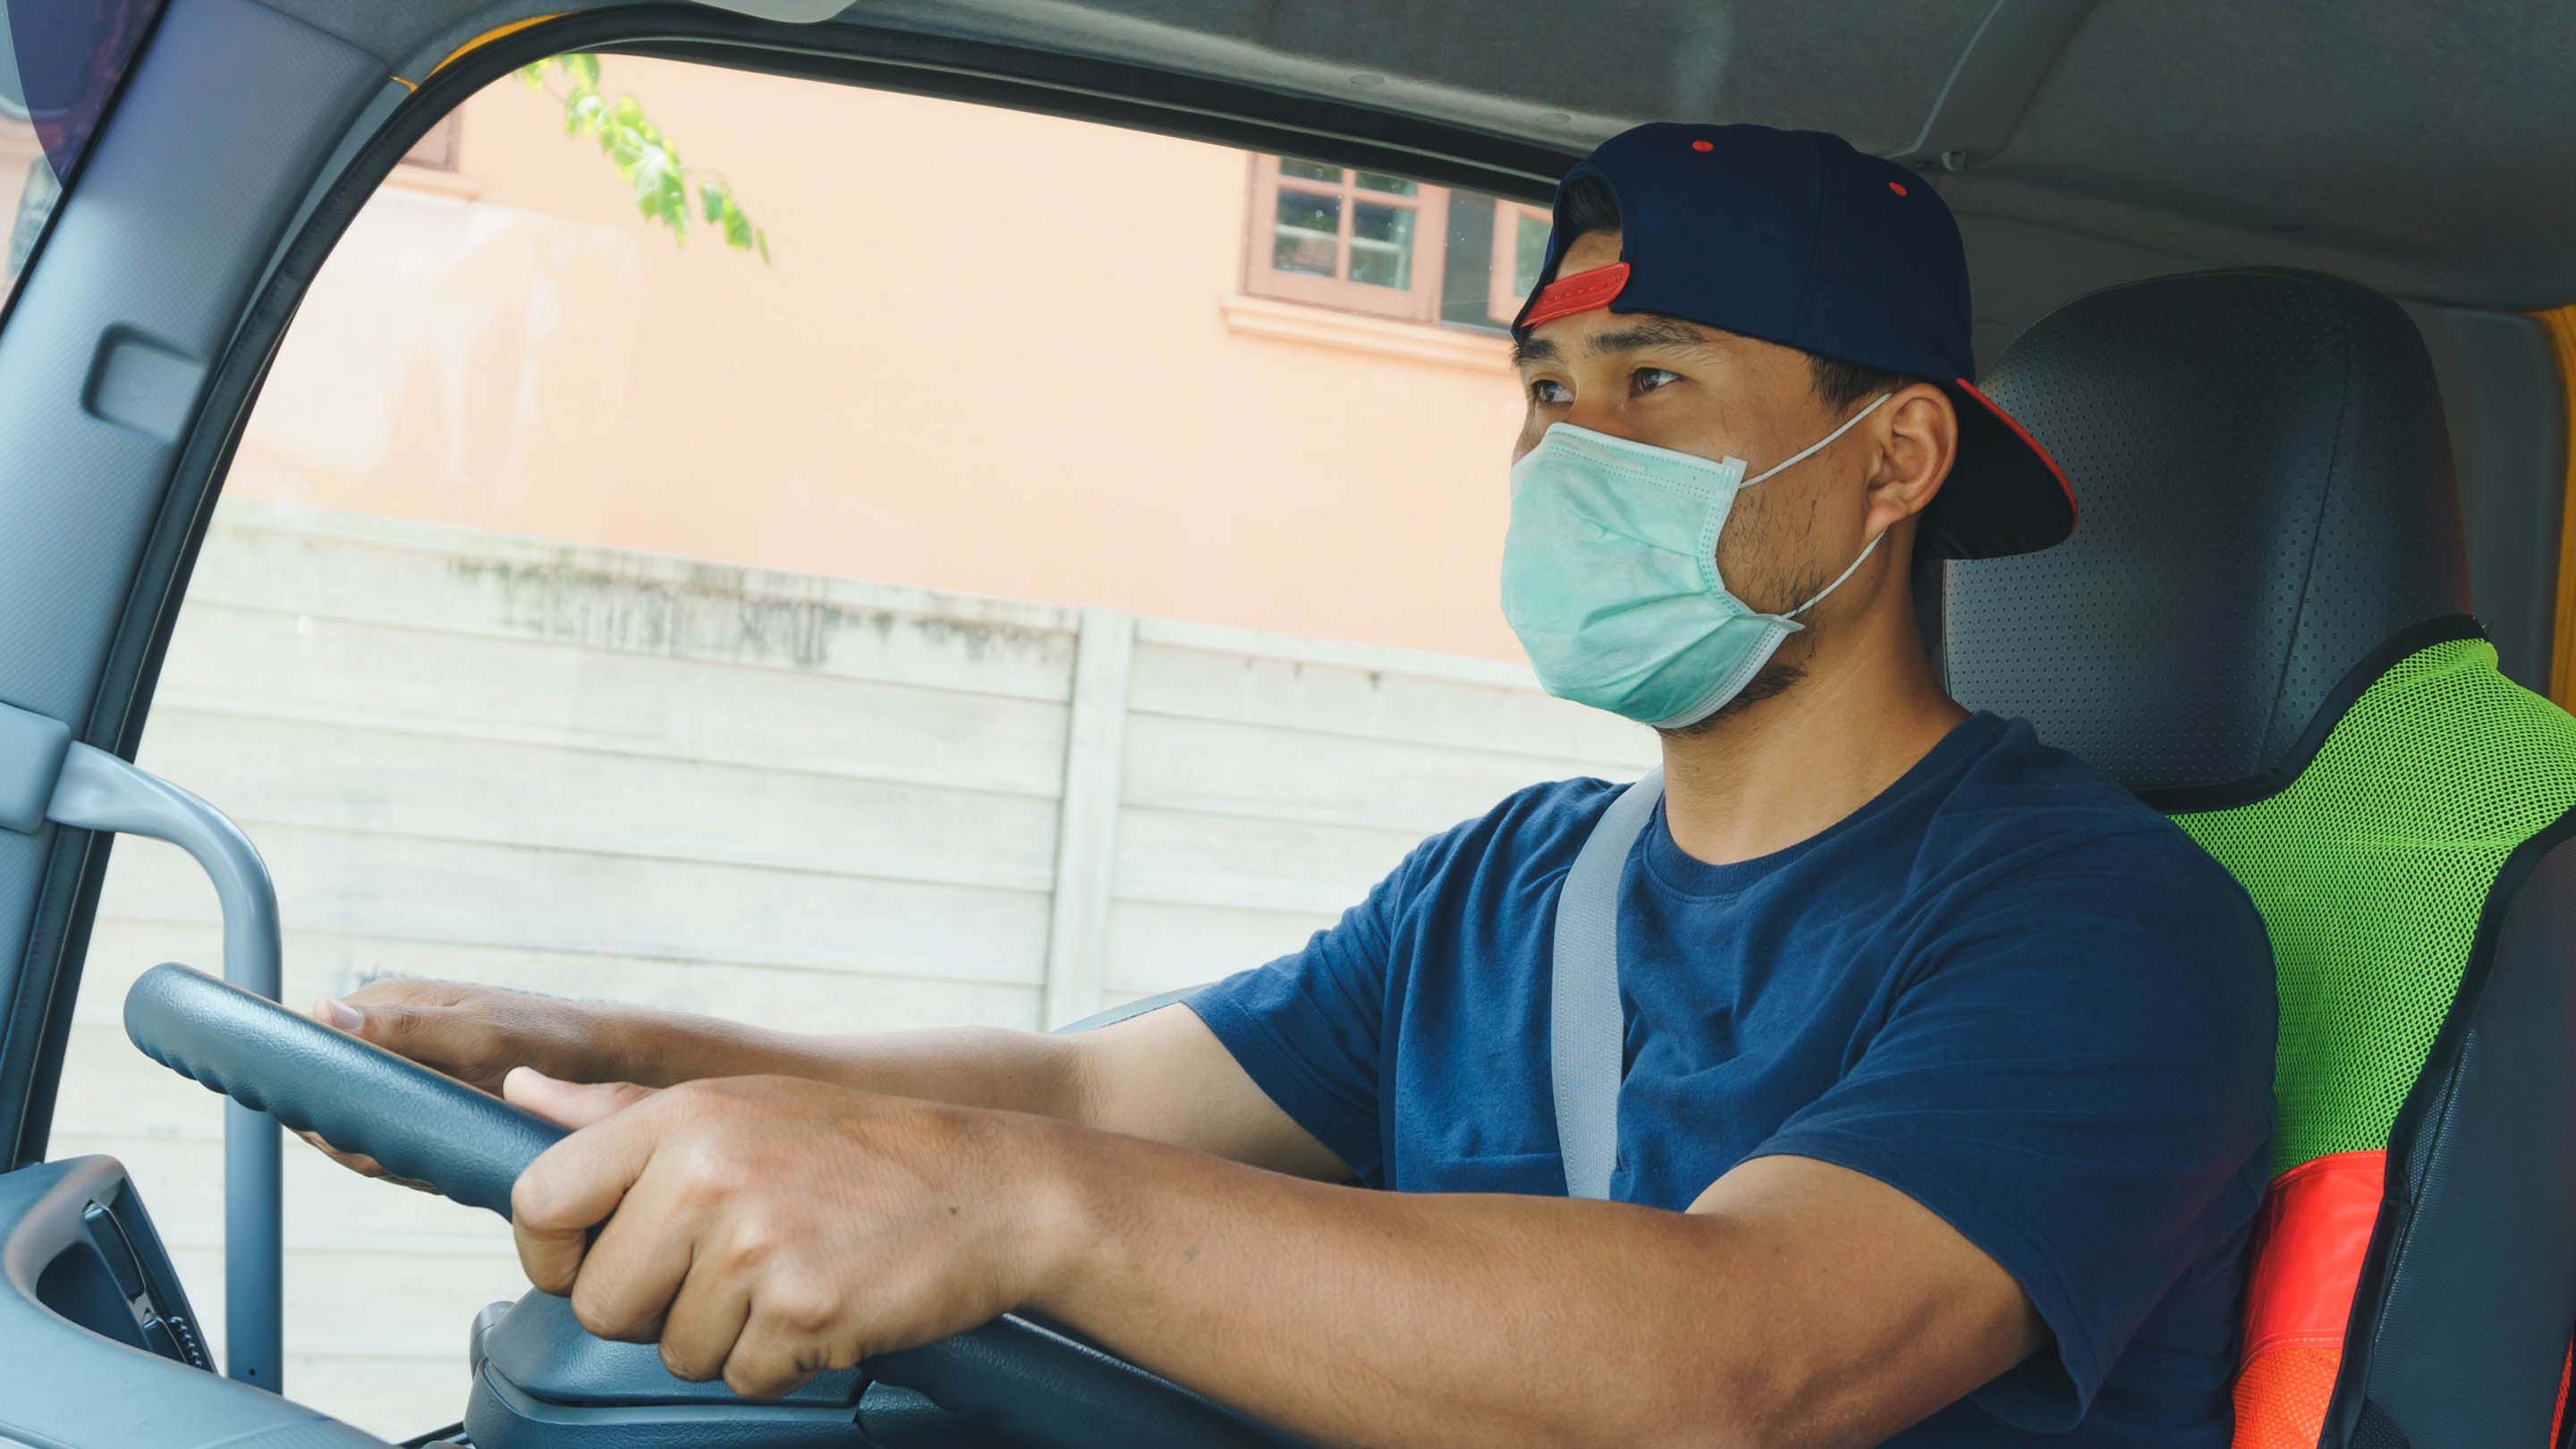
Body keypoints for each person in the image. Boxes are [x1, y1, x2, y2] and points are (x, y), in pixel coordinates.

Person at [309, 123, 2275, 1447]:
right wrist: (632, 1055)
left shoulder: (2103, 929)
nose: (1565, 454)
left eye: (1654, 383)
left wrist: (1012, 1209)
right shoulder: (1512, 884)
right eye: (1547, 394)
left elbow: (1741, 1359)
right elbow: (1092, 1092)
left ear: (1895, 460)